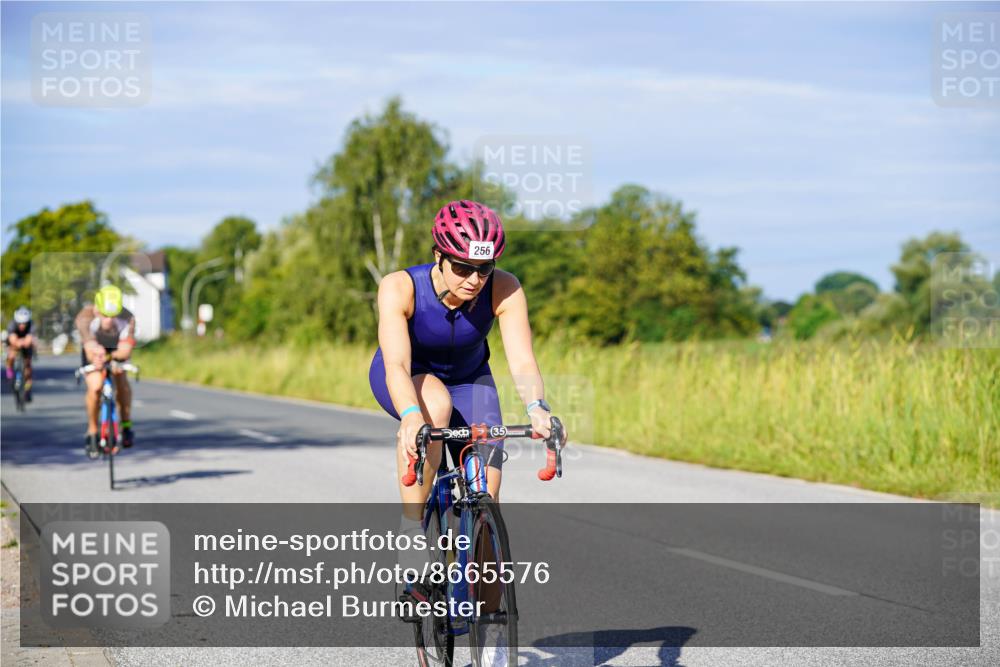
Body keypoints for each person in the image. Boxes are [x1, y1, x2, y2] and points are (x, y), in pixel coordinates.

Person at [370, 199, 568, 501]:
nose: (474, 280)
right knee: (435, 407)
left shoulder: (505, 288)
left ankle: (481, 540)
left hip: (469, 378)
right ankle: (411, 528)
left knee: (487, 490)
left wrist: (537, 408)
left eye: (484, 268)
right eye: (462, 267)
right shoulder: (400, 287)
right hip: (410, 374)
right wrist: (411, 415)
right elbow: (396, 364)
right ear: (439, 255)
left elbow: (523, 359)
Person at [75, 285, 137, 454]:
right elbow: (89, 349)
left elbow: (125, 350)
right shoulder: (84, 317)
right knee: (95, 386)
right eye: (104, 315)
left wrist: (112, 357)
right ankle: (93, 430)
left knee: (121, 379)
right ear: (96, 309)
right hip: (95, 352)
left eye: (113, 315)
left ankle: (126, 426)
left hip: (116, 350)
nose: (109, 320)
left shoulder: (128, 317)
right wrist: (96, 355)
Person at [5, 306, 35, 401]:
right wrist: (19, 342)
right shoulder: (12, 324)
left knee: (28, 366)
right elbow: (12, 339)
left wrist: (25, 342)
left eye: (24, 323)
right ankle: (9, 369)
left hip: (26, 343)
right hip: (15, 341)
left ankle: (27, 389)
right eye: (20, 323)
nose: (22, 325)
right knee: (11, 355)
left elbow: (29, 339)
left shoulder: (31, 324)